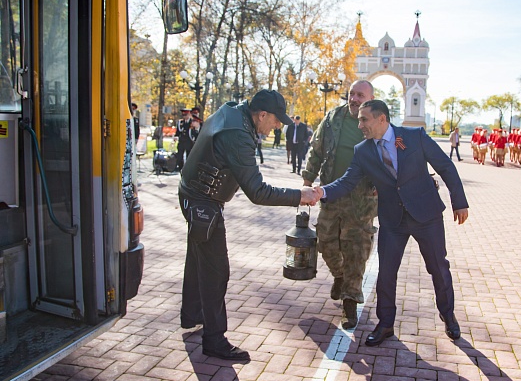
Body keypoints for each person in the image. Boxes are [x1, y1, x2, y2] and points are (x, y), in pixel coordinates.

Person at [178, 90, 318, 362]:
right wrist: (299, 196)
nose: (277, 126)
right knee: (217, 271)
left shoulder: (233, 111)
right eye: (276, 120)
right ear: (262, 114)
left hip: (194, 193)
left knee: (197, 260)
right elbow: (258, 192)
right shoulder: (238, 134)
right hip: (202, 201)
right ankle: (214, 340)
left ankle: (192, 316)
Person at [315, 100, 469, 346]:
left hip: (426, 215)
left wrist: (459, 201)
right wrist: (321, 192)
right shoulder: (363, 150)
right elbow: (346, 181)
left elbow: (445, 165)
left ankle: (448, 315)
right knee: (386, 273)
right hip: (393, 220)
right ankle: (385, 324)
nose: (360, 124)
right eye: (359, 120)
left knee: (438, 268)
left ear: (382, 119)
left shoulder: (412, 137)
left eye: (364, 119)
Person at [302, 80, 378, 330]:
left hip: (363, 199)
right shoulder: (333, 118)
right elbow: (316, 148)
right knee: (325, 240)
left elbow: (392, 154)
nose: (354, 98)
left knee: (356, 250)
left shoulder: (377, 120)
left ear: (370, 98)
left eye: (360, 95)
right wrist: (307, 181)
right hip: (331, 192)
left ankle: (349, 304)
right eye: (351, 94)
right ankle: (340, 276)